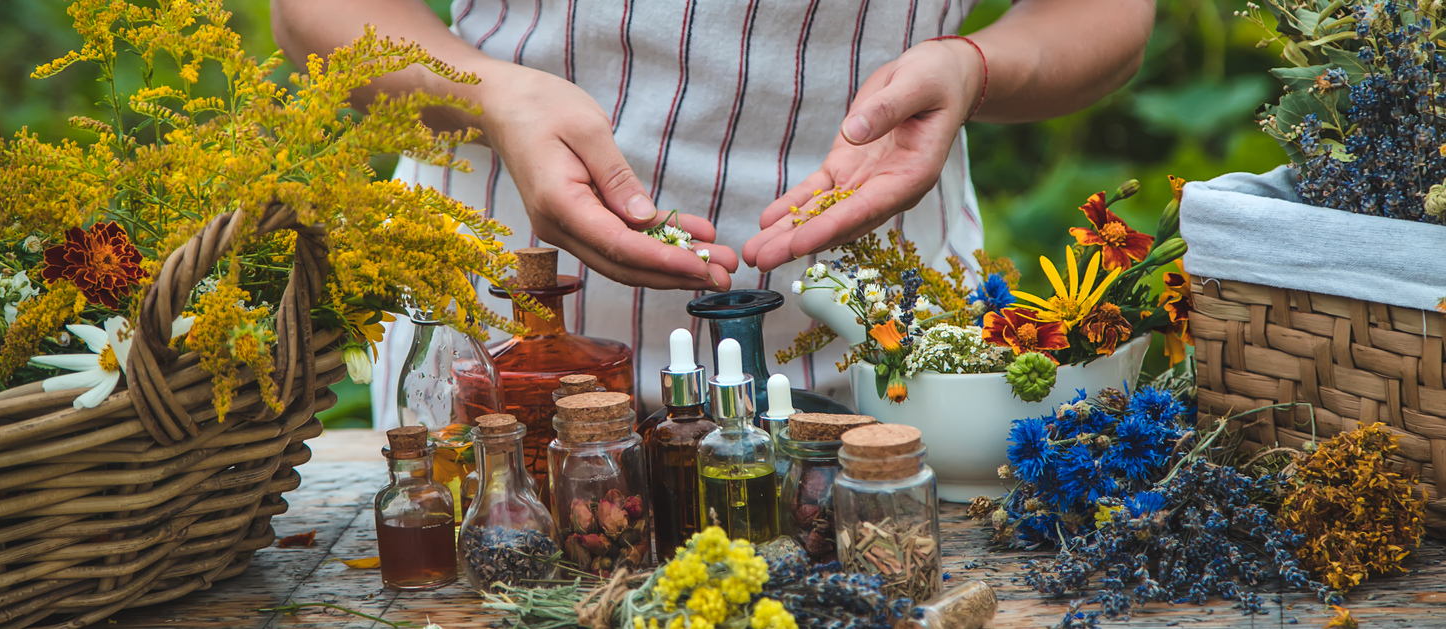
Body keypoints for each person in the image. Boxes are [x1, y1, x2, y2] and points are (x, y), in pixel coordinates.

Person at [271, 0, 1155, 422]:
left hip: (888, 352)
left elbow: (1106, 17)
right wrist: (490, 96)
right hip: (510, 354)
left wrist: (973, 67)